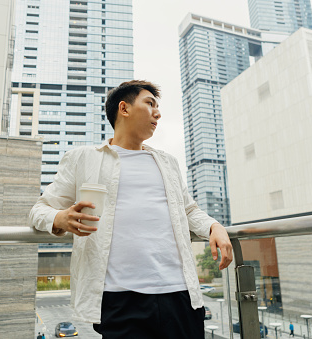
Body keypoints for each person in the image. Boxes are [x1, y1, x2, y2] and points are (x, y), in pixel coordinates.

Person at [29, 80, 233, 339]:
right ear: (123, 109)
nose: (157, 113)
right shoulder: (83, 158)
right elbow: (39, 210)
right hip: (118, 298)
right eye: (149, 104)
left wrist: (214, 226)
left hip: (180, 294)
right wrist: (61, 218)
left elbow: (189, 211)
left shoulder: (168, 162)